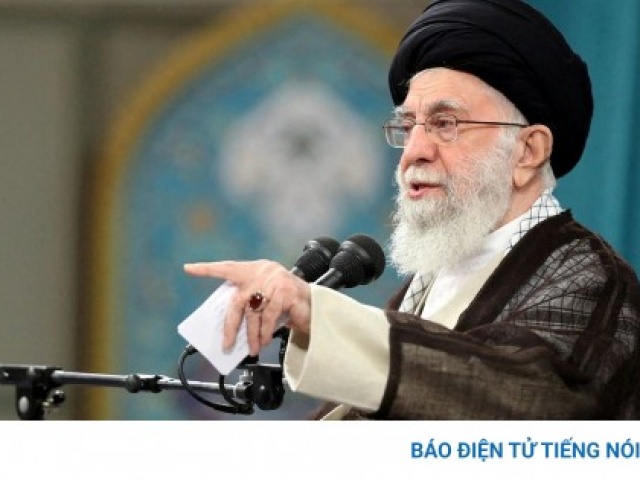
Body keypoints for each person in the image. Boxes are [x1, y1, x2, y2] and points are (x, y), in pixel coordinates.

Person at [184, 0, 640, 419]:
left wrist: (314, 312)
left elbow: (521, 402)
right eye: (408, 126)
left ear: (527, 151)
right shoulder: (428, 285)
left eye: (445, 123)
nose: (413, 152)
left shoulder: (588, 279)